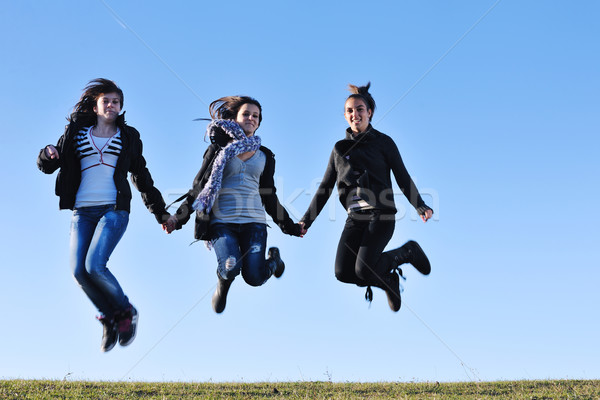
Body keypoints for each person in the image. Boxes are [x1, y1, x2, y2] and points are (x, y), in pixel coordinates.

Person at [37, 79, 171, 352]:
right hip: (82, 212)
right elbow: (49, 165)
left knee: (95, 265)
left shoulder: (128, 136)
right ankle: (109, 318)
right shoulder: (75, 132)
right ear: (96, 106)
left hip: (114, 209)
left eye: (116, 102)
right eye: (106, 101)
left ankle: (126, 311)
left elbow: (141, 177)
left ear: (121, 107)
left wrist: (160, 213)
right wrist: (48, 154)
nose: (111, 105)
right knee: (79, 271)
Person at [299, 82, 433, 312]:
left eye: (360, 109)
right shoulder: (339, 149)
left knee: (363, 270)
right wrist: (306, 221)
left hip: (381, 215)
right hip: (355, 219)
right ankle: (389, 281)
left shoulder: (384, 143)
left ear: (369, 112)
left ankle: (407, 252)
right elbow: (325, 187)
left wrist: (420, 205)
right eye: (350, 111)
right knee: (343, 272)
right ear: (344, 116)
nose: (355, 114)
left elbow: (402, 176)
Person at [164, 96, 304, 313]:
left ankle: (274, 262)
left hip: (254, 222)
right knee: (230, 266)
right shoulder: (218, 150)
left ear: (259, 122)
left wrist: (290, 227)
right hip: (222, 222)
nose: (251, 118)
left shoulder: (265, 155)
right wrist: (177, 218)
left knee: (255, 278)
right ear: (235, 118)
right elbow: (199, 188)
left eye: (255, 116)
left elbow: (269, 195)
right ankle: (222, 286)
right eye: (246, 114)